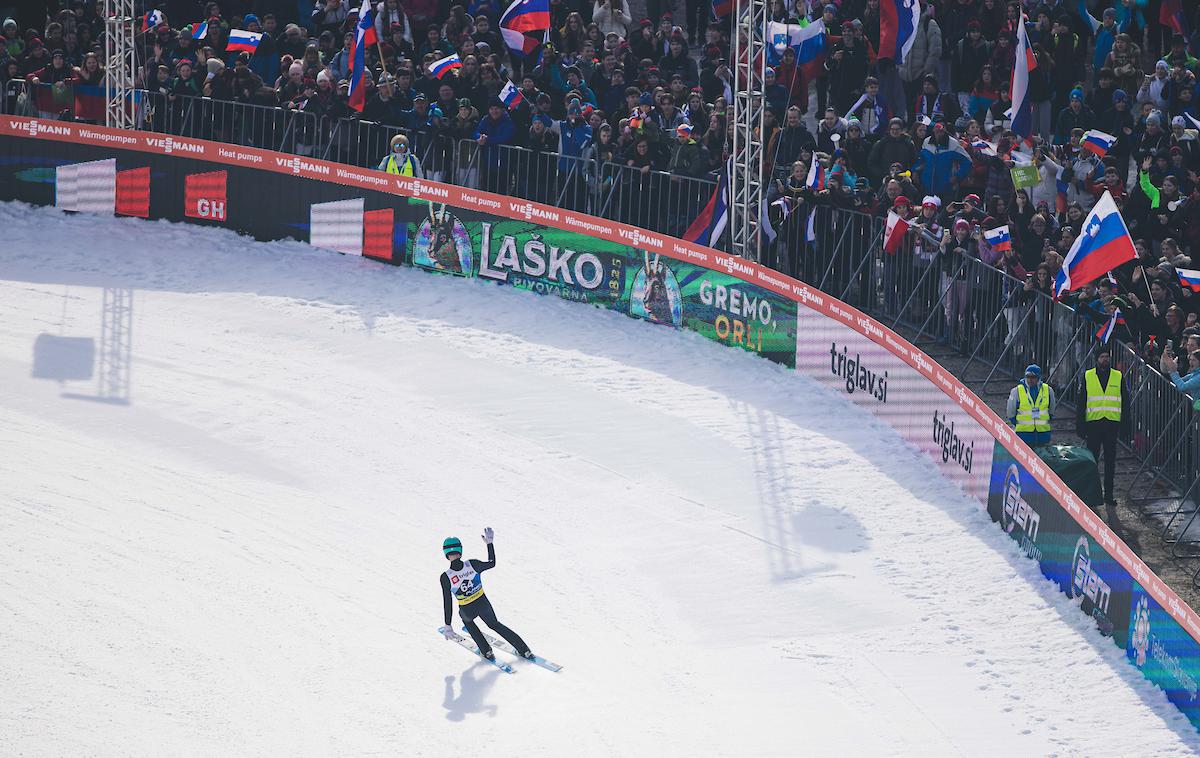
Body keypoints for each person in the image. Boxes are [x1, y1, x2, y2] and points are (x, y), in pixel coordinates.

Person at [439, 531, 535, 662]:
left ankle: (486, 651)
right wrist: (489, 544)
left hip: (467, 610)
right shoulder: (472, 564)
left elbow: (447, 602)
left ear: (446, 554)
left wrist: (448, 625)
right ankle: (524, 650)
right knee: (495, 624)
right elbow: (491, 563)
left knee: (467, 621)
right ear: (460, 550)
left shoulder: (446, 577)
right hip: (484, 605)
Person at [1076, 348, 1127, 505]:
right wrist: (1081, 425)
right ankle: (1091, 493)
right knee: (1092, 461)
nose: (1105, 359)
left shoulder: (1118, 376)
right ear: (1096, 359)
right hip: (1094, 424)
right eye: (1102, 357)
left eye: (1107, 357)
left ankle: (1108, 495)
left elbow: (1125, 402)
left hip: (1111, 424)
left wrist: (1125, 425)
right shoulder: (1088, 376)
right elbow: (1082, 402)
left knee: (1110, 461)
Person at [1007, 364, 1056, 446]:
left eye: (1033, 377)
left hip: (1042, 434)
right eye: (1028, 376)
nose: (1030, 379)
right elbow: (1011, 412)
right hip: (1023, 435)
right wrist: (1019, 424)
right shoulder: (1017, 391)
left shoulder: (1048, 390)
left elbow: (1051, 410)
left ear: (1038, 378)